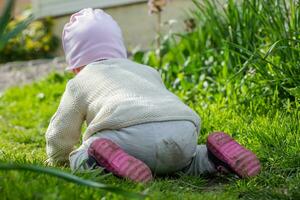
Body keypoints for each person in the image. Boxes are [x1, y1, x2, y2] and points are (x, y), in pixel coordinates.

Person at [45, 8, 260, 183]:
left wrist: (58, 157)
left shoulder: (80, 81)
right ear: (119, 49)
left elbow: (61, 131)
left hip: (129, 141)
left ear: (74, 65)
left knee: (83, 153)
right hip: (182, 131)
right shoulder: (146, 70)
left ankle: (102, 161)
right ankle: (213, 158)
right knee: (190, 161)